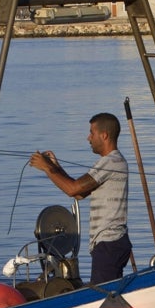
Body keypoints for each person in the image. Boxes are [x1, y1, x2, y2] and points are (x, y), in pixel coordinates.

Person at [30, 112, 131, 285]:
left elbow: (72, 189)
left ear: (104, 135)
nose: (88, 138)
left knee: (103, 295)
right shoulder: (110, 162)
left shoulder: (111, 162)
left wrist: (47, 168)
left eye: (92, 133)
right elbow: (78, 193)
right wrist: (55, 166)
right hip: (108, 244)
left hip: (109, 243)